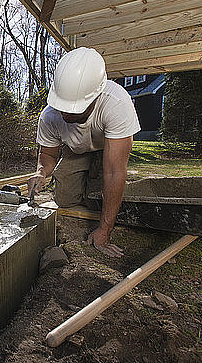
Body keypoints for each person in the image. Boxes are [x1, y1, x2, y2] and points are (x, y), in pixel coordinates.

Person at [27, 47, 140, 257]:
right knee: (65, 200)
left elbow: (115, 171)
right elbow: (49, 156)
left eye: (74, 109)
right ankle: (86, 184)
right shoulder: (49, 116)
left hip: (105, 150)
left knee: (98, 201)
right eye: (63, 107)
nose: (66, 113)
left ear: (95, 96)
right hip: (74, 149)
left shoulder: (116, 103)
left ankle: (99, 187)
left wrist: (105, 229)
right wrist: (41, 173)